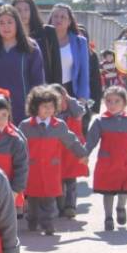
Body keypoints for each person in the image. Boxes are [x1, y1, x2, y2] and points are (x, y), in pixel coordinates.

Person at [18, 85, 88, 235]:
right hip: (33, 169)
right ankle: (32, 219)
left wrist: (81, 154)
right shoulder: (25, 126)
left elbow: (71, 140)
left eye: (51, 106)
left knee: (49, 197)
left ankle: (47, 223)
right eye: (44, 107)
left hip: (52, 168)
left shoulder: (59, 125)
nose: (48, 110)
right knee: (33, 198)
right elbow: (17, 144)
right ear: (35, 107)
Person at [84, 86, 127, 231]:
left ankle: (121, 207)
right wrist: (84, 155)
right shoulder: (100, 122)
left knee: (125, 188)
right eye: (109, 101)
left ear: (124, 103)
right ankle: (108, 217)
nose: (112, 104)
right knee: (107, 190)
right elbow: (90, 141)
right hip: (107, 162)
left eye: (117, 101)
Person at [50, 83, 88, 219]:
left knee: (71, 180)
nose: (60, 103)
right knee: (57, 179)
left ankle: (70, 206)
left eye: (62, 99)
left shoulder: (73, 110)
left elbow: (80, 111)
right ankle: (61, 207)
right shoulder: (50, 113)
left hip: (71, 151)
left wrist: (70, 99)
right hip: (56, 151)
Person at [12, 0, 57, 85]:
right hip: (18, 85)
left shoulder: (47, 32)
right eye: (18, 10)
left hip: (43, 86)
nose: (23, 14)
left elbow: (56, 66)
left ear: (32, 11)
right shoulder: (9, 35)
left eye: (26, 9)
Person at [48, 4, 90, 100]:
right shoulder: (43, 40)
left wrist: (82, 97)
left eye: (63, 17)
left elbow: (84, 72)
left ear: (69, 22)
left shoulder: (80, 42)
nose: (59, 20)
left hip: (70, 91)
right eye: (55, 16)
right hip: (47, 91)